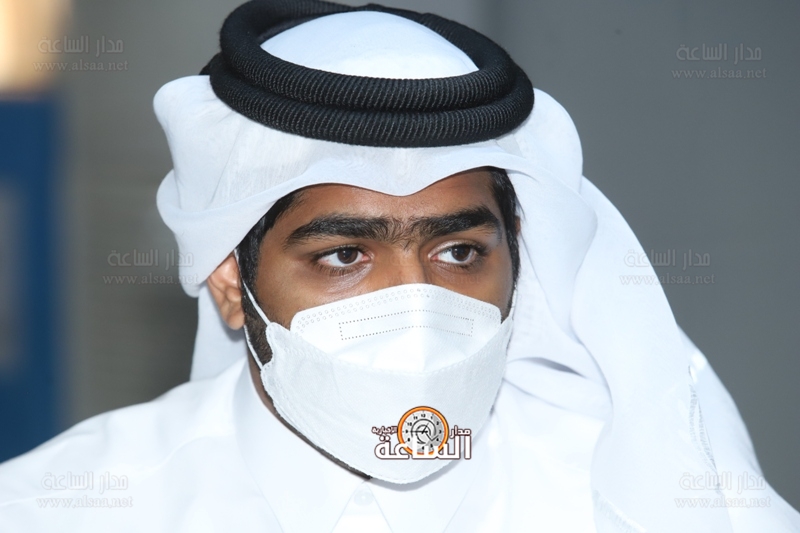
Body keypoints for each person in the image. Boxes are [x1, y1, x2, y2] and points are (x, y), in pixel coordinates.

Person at [1, 1, 798, 531]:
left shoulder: (628, 503)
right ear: (229, 280)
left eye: (459, 252)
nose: (415, 305)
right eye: (344, 255)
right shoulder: (62, 509)